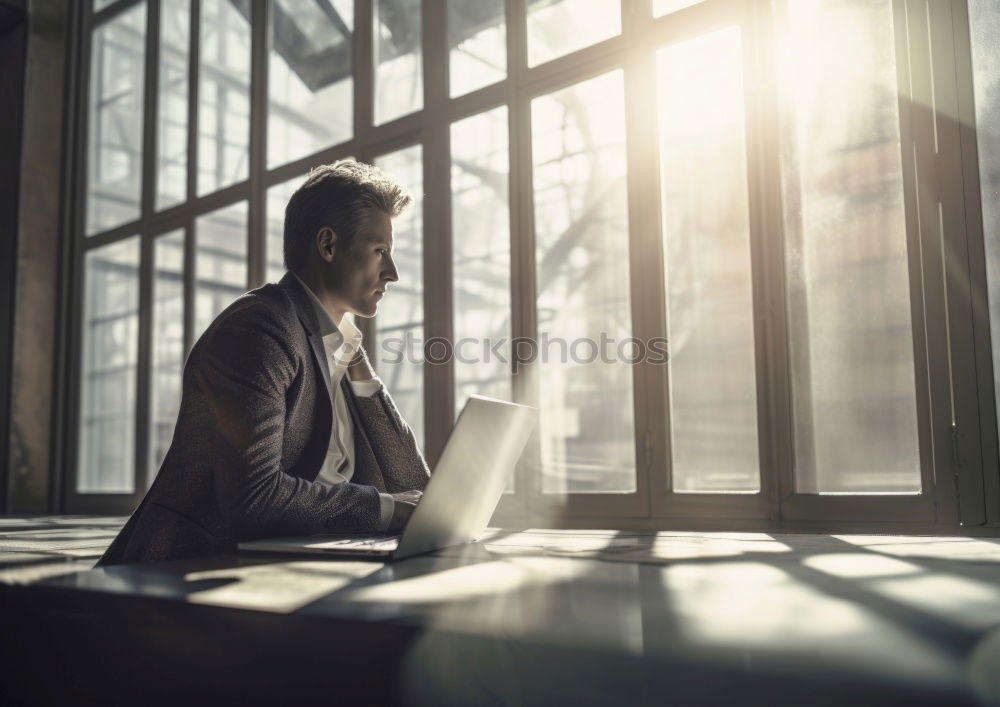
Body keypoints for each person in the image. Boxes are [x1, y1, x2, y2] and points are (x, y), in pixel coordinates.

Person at [98, 160, 429, 565]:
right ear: (328, 246)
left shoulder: (334, 344)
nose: (392, 273)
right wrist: (387, 508)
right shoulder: (259, 329)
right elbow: (255, 499)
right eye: (380, 251)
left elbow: (414, 486)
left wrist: (355, 361)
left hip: (288, 561)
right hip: (189, 572)